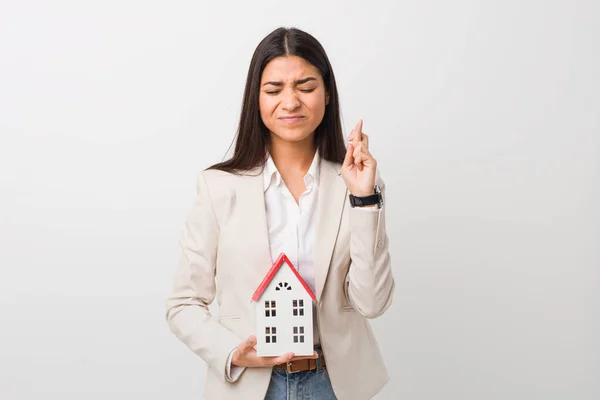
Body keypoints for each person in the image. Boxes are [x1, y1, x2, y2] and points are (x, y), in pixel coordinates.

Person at [165, 26, 395, 400]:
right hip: (247, 384)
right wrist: (231, 351)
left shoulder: (356, 185)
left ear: (327, 94)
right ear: (255, 99)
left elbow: (372, 302)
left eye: (305, 87)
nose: (290, 102)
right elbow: (183, 303)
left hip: (333, 385)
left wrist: (364, 198)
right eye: (274, 90)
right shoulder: (219, 186)